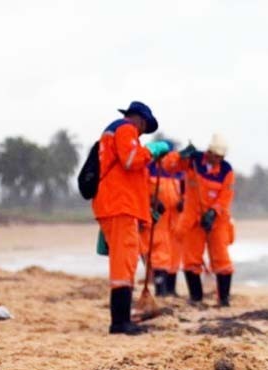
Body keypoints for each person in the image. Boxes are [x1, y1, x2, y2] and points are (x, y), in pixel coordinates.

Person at [92, 101, 171, 335]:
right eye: (144, 127)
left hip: (120, 206)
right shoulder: (125, 128)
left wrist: (147, 209)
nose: (142, 133)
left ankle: (122, 319)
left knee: (126, 261)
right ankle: (119, 322)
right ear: (139, 119)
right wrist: (152, 150)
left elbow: (131, 178)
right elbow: (131, 160)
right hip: (119, 206)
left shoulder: (116, 132)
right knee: (123, 264)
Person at [162, 133, 235, 306]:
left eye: (221, 157)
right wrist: (180, 154)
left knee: (222, 260)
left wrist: (213, 212)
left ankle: (224, 299)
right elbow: (168, 166)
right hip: (192, 220)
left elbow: (226, 196)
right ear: (209, 152)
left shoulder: (226, 171)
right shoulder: (193, 161)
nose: (218, 160)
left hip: (217, 221)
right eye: (216, 156)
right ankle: (196, 298)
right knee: (191, 260)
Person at [139, 158, 182, 297]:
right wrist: (152, 201)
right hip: (155, 221)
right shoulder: (147, 168)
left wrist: (183, 201)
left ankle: (169, 290)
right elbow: (139, 190)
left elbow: (184, 191)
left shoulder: (177, 172)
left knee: (172, 257)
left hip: (173, 222)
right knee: (157, 257)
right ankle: (160, 290)